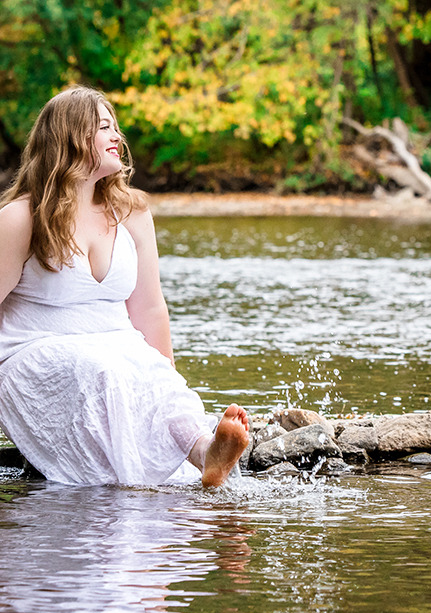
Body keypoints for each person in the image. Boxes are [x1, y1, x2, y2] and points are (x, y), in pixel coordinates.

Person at [0, 85, 249, 487]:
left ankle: (206, 453)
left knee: (152, 370)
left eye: (116, 127)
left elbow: (150, 308)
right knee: (105, 371)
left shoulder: (132, 212)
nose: (118, 137)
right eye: (104, 127)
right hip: (33, 351)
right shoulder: (20, 218)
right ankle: (121, 486)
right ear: (70, 137)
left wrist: (166, 375)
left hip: (116, 343)